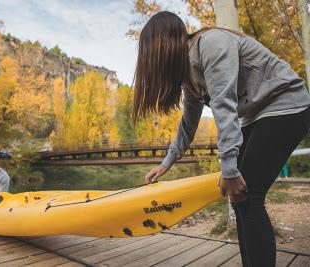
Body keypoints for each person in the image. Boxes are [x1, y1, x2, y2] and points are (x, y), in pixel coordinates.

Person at [133, 11, 310, 267]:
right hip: (257, 113)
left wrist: (229, 168)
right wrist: (166, 163)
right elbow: (188, 124)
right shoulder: (189, 74)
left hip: (286, 104)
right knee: (241, 200)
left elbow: (224, 106)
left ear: (164, 44)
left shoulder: (211, 44)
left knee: (248, 196)